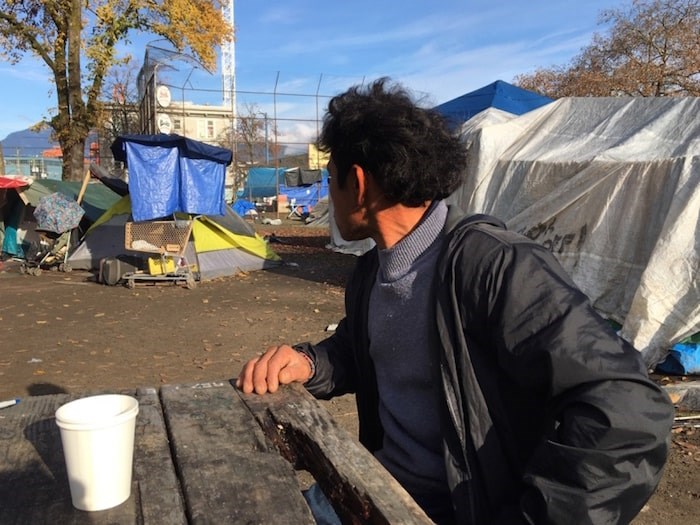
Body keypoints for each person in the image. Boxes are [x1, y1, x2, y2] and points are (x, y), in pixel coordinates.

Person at [237, 78, 674, 524]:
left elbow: (629, 412)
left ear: (359, 183)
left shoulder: (495, 267)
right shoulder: (372, 272)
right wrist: (309, 362)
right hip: (375, 488)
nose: (330, 193)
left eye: (331, 180)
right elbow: (360, 349)